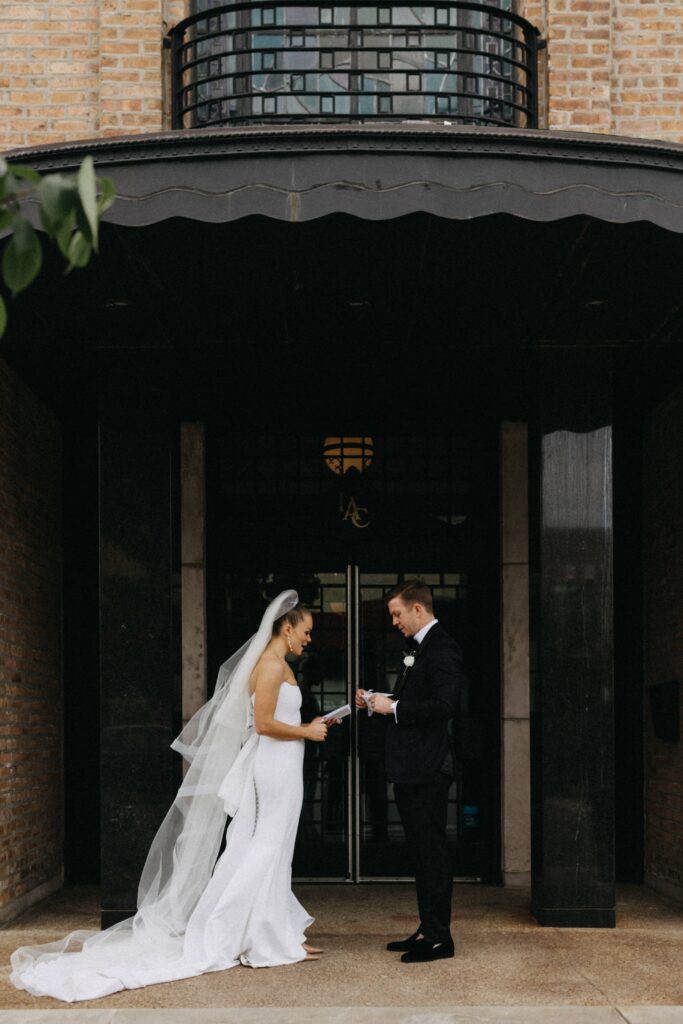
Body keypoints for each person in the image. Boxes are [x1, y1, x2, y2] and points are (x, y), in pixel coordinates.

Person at [11, 591, 332, 1002]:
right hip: (270, 770)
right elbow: (266, 725)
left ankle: (277, 932)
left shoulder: (279, 664)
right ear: (286, 628)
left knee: (273, 848)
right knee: (263, 849)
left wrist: (309, 725)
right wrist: (306, 731)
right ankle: (248, 934)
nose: (309, 638)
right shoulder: (269, 666)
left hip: (283, 769)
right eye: (306, 631)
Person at [355, 580, 464, 963]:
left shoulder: (443, 647)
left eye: (397, 614)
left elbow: (445, 705)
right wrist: (378, 700)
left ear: (418, 609)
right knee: (420, 853)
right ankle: (426, 928)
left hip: (428, 768)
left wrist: (395, 710)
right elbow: (416, 700)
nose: (395, 622)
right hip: (410, 767)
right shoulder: (419, 649)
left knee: (432, 852)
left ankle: (440, 938)